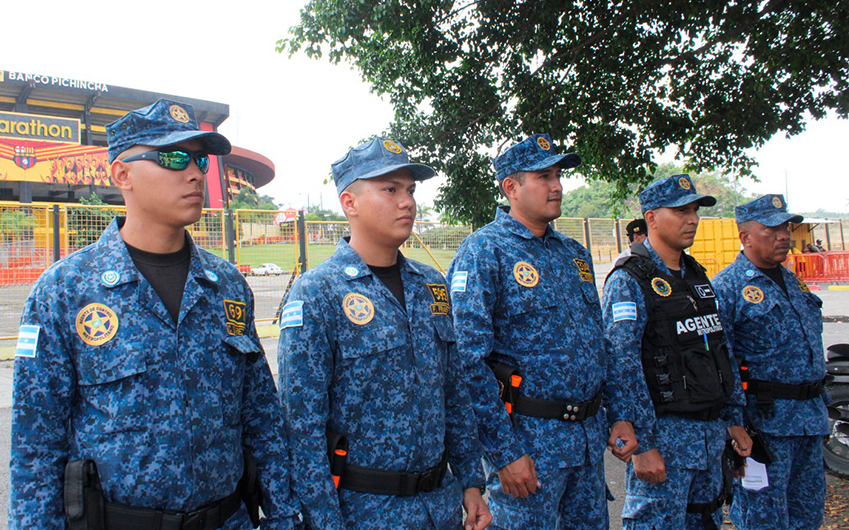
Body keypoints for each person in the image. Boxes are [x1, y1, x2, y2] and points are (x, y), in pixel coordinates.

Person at [9, 98, 301, 529]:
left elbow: (260, 417)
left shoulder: (226, 287)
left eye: (200, 160)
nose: (195, 172)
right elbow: (35, 447)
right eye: (172, 157)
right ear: (122, 174)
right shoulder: (64, 292)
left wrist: (284, 516)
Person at [278, 137, 490, 530]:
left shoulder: (430, 284)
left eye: (410, 190)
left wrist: (472, 483)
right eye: (390, 189)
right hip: (364, 512)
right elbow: (301, 426)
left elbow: (453, 394)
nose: (407, 201)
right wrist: (323, 522)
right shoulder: (319, 292)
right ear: (350, 202)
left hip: (439, 505)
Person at [447, 134, 626, 530]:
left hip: (585, 442)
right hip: (528, 449)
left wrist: (619, 415)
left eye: (558, 175)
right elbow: (467, 362)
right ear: (511, 187)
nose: (558, 185)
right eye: (544, 176)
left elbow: (599, 345)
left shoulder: (573, 254)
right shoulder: (484, 251)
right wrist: (504, 453)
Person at [603, 174, 752, 530]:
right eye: (681, 210)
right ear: (651, 217)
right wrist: (642, 445)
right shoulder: (629, 279)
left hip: (709, 437)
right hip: (664, 441)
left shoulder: (696, 276)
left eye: (695, 210)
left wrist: (733, 418)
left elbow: (719, 349)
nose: (693, 219)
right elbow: (621, 363)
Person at [712, 194, 829, 530]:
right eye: (772, 229)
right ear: (745, 237)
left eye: (786, 228)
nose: (783, 236)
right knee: (763, 520)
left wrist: (821, 408)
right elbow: (722, 363)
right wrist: (734, 424)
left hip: (808, 423)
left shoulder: (793, 281)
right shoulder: (728, 288)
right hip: (763, 430)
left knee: (806, 517)